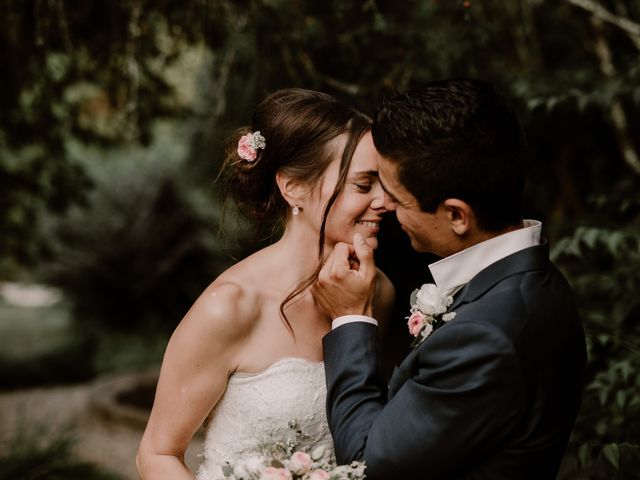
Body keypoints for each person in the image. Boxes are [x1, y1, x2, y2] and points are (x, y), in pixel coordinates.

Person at [312, 78, 587, 480]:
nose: (385, 206)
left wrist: (351, 318)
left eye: (396, 197)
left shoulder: (487, 335)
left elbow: (367, 464)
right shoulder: (537, 281)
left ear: (457, 215)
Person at [136, 88, 395, 480]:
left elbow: (375, 433)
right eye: (364, 185)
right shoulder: (230, 306)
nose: (386, 202)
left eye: (386, 185)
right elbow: (156, 454)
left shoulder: (378, 292)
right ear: (293, 187)